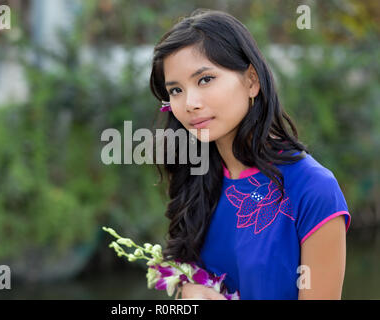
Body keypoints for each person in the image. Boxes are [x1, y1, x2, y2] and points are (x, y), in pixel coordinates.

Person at [149, 9, 351, 300]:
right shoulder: (196, 180)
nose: (190, 103)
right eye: (176, 90)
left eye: (205, 79)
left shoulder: (313, 189)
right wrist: (189, 291)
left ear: (251, 81)